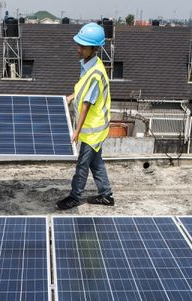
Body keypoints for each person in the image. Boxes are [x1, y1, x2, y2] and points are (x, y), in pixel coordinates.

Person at [56, 22, 115, 210]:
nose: (79, 49)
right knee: (95, 163)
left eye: (83, 46)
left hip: (93, 128)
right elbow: (83, 91)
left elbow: (87, 106)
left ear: (94, 48)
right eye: (78, 45)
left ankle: (74, 197)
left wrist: (76, 131)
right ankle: (106, 195)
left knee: (82, 164)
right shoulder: (91, 65)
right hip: (93, 127)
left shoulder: (96, 73)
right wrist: (72, 97)